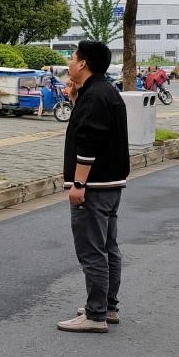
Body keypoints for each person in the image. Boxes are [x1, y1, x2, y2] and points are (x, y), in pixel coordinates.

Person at [58, 40, 130, 335]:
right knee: (108, 247)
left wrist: (78, 183)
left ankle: (95, 314)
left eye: (72, 58)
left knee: (92, 251)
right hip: (111, 184)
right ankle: (108, 307)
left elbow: (89, 142)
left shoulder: (95, 96)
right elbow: (96, 129)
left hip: (94, 186)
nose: (69, 64)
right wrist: (76, 98)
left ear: (83, 63)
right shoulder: (103, 91)